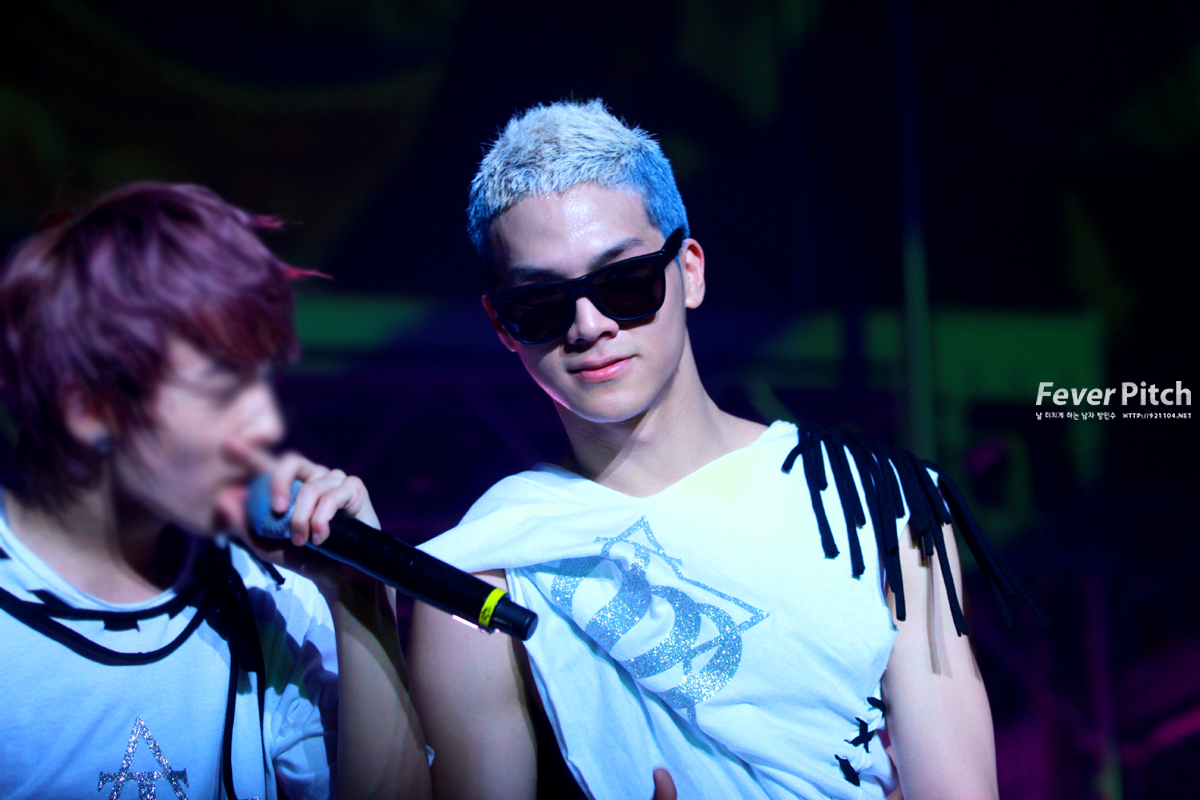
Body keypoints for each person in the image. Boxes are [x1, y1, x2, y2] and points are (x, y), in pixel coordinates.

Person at [409, 100, 1042, 800]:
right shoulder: (481, 567)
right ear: (502, 324)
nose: (588, 325)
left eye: (624, 282)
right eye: (541, 303)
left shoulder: (879, 505)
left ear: (690, 270)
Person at [0, 182, 430, 799]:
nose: (263, 425)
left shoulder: (270, 596)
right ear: (88, 406)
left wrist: (360, 598)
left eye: (260, 384)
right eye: (221, 389)